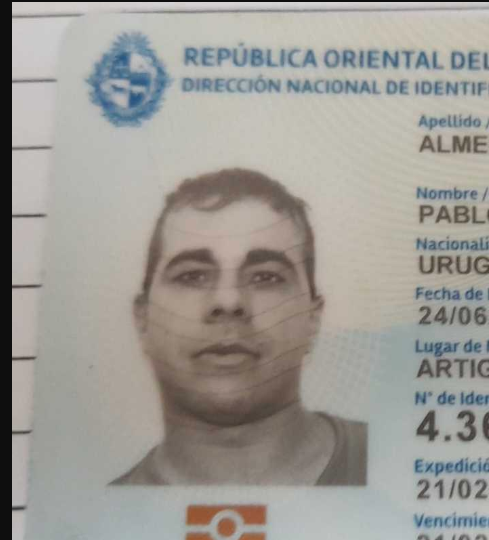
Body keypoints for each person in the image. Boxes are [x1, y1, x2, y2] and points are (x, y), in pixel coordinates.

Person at [111, 168, 366, 486]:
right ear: (143, 321)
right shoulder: (102, 512)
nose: (229, 301)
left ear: (313, 320)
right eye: (192, 275)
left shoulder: (390, 463)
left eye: (265, 277)